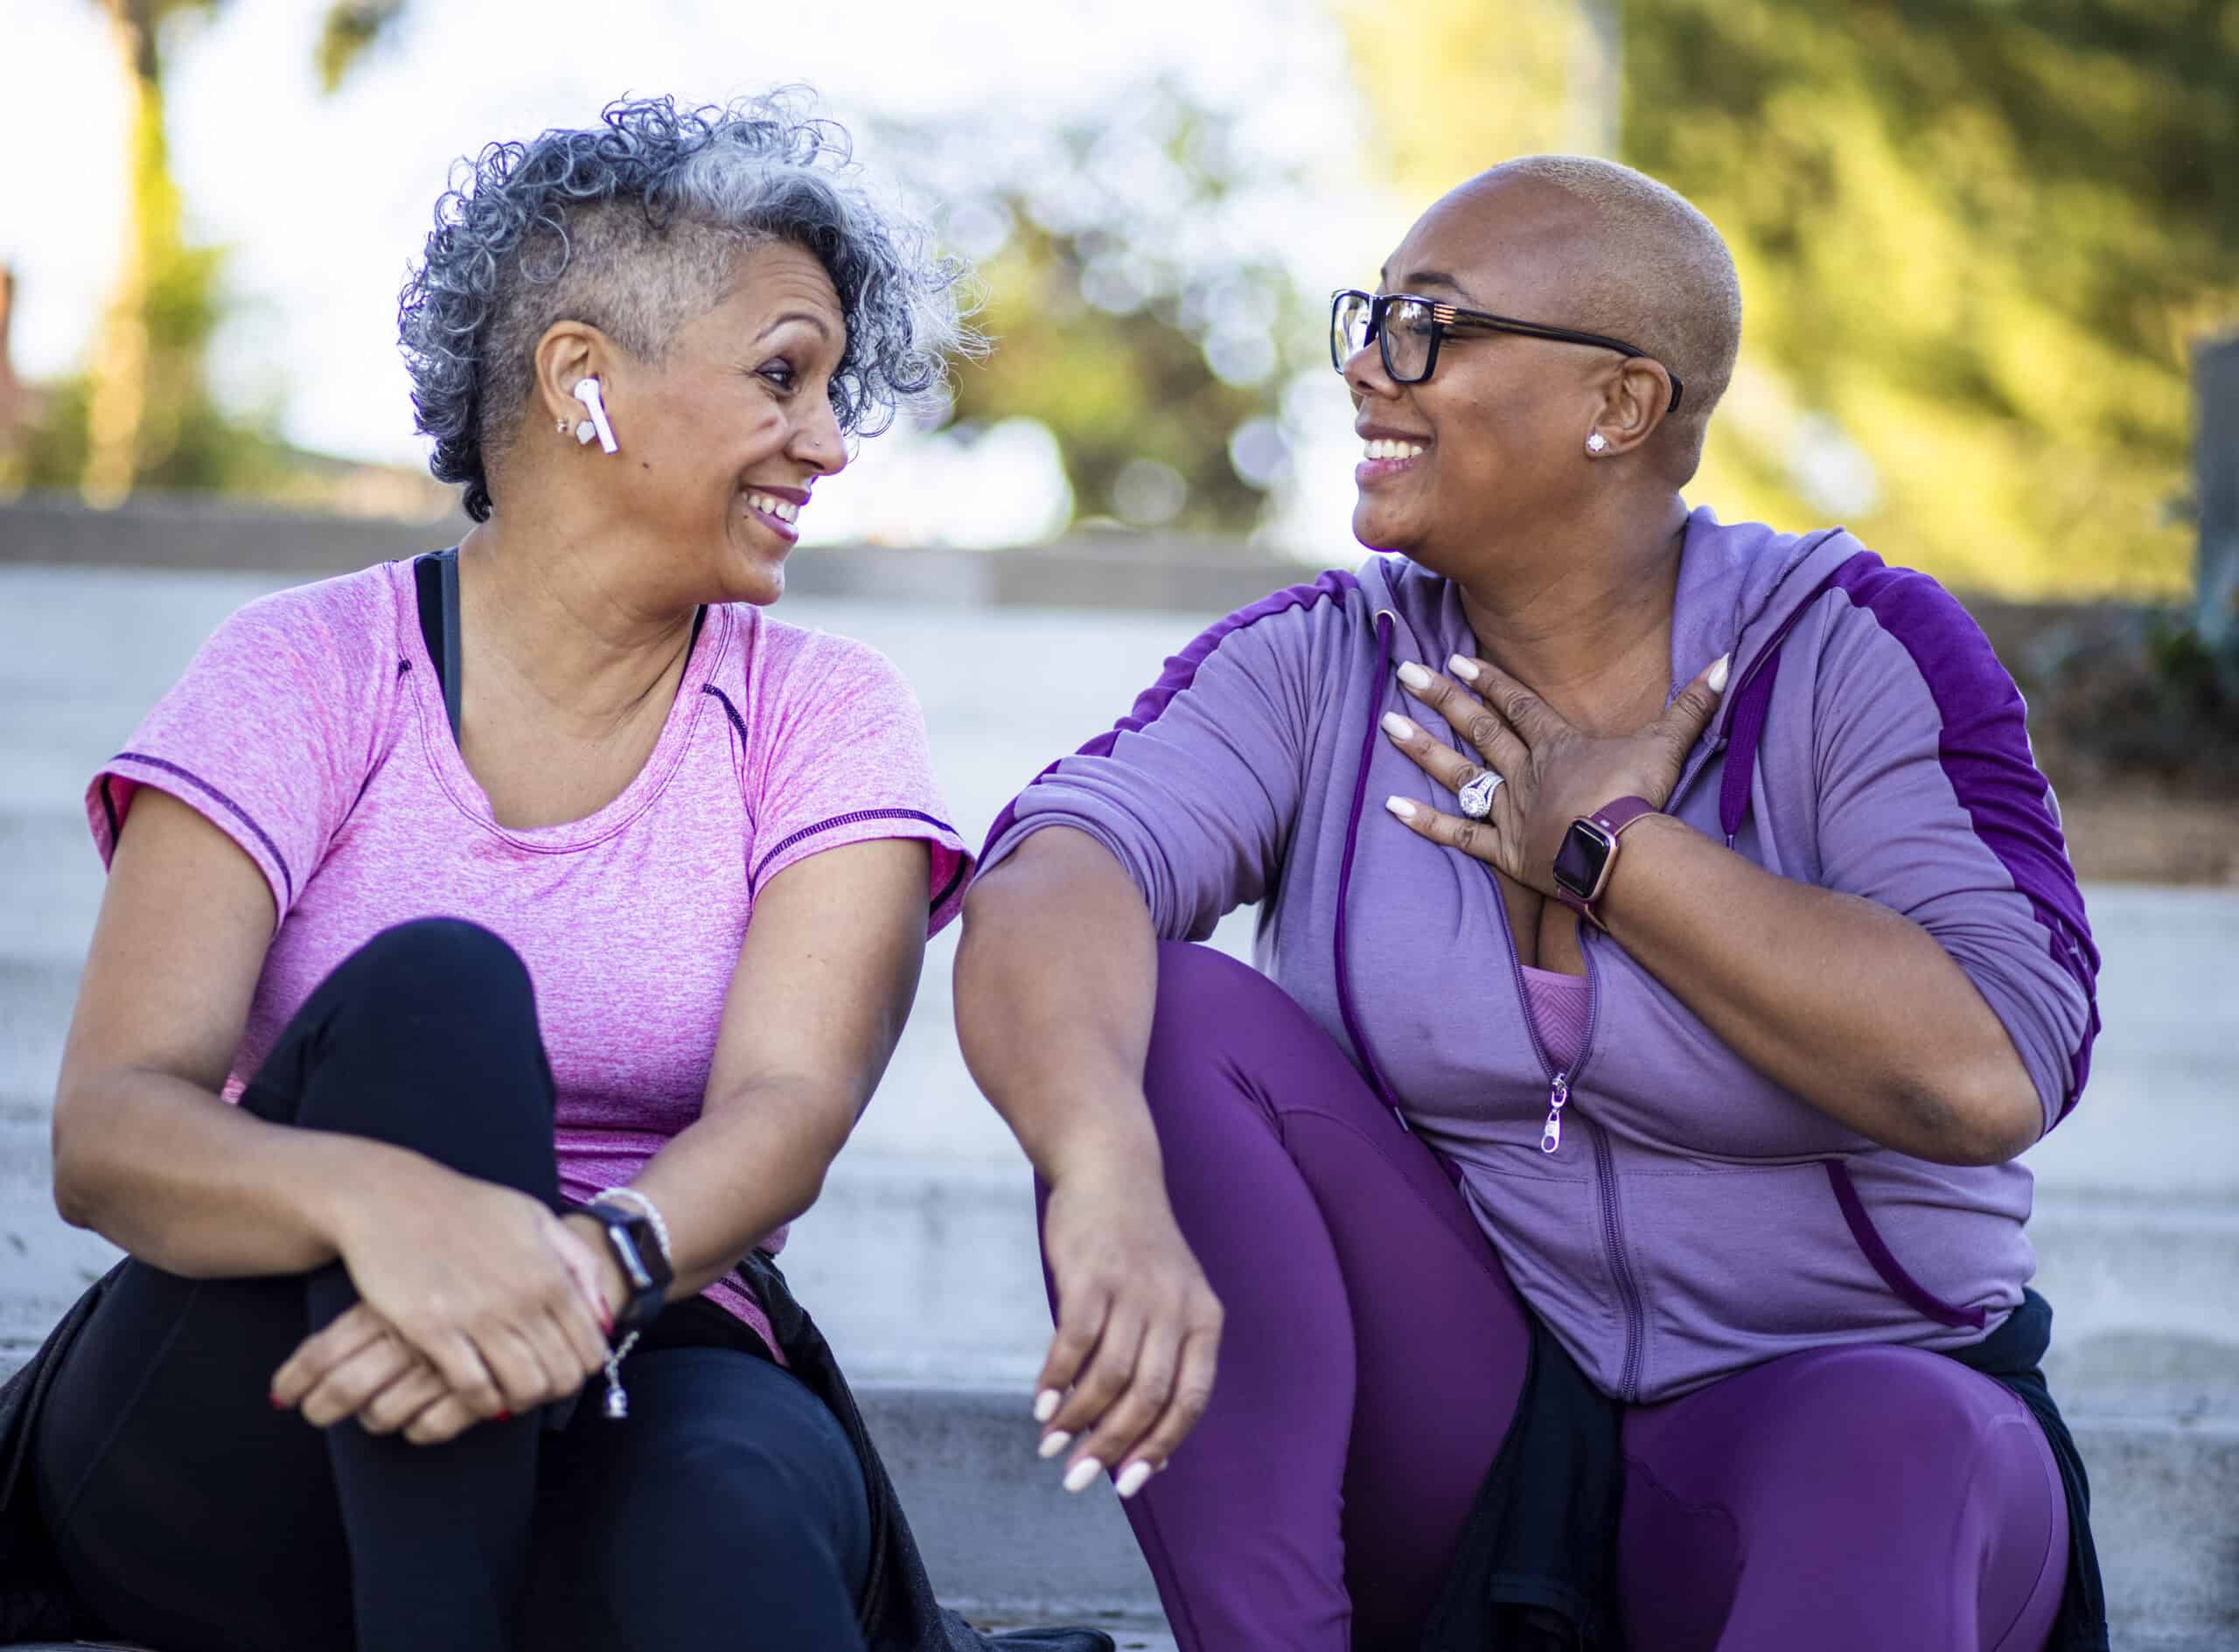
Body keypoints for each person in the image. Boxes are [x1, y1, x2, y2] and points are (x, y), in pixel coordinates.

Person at [954, 156, 2103, 1651]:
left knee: (1906, 1442)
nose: (1368, 367)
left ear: (1618, 406)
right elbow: (1057, 869)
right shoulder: (1326, 661)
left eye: (1430, 325)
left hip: (1829, 1430)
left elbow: (1989, 1064)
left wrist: (1612, 845)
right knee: (1171, 1014)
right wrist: (1100, 1163)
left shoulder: (1851, 649)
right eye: (1368, 320)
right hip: (1474, 1436)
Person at [0, 94, 1007, 1652]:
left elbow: (789, 1109)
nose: (827, 439)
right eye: (782, 375)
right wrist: (389, 1209)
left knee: (734, 1516)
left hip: (649, 1330)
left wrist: (576, 1264)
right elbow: (113, 1129)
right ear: (582, 378)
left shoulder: (824, 711)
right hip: (261, 1375)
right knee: (443, 998)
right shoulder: (303, 667)